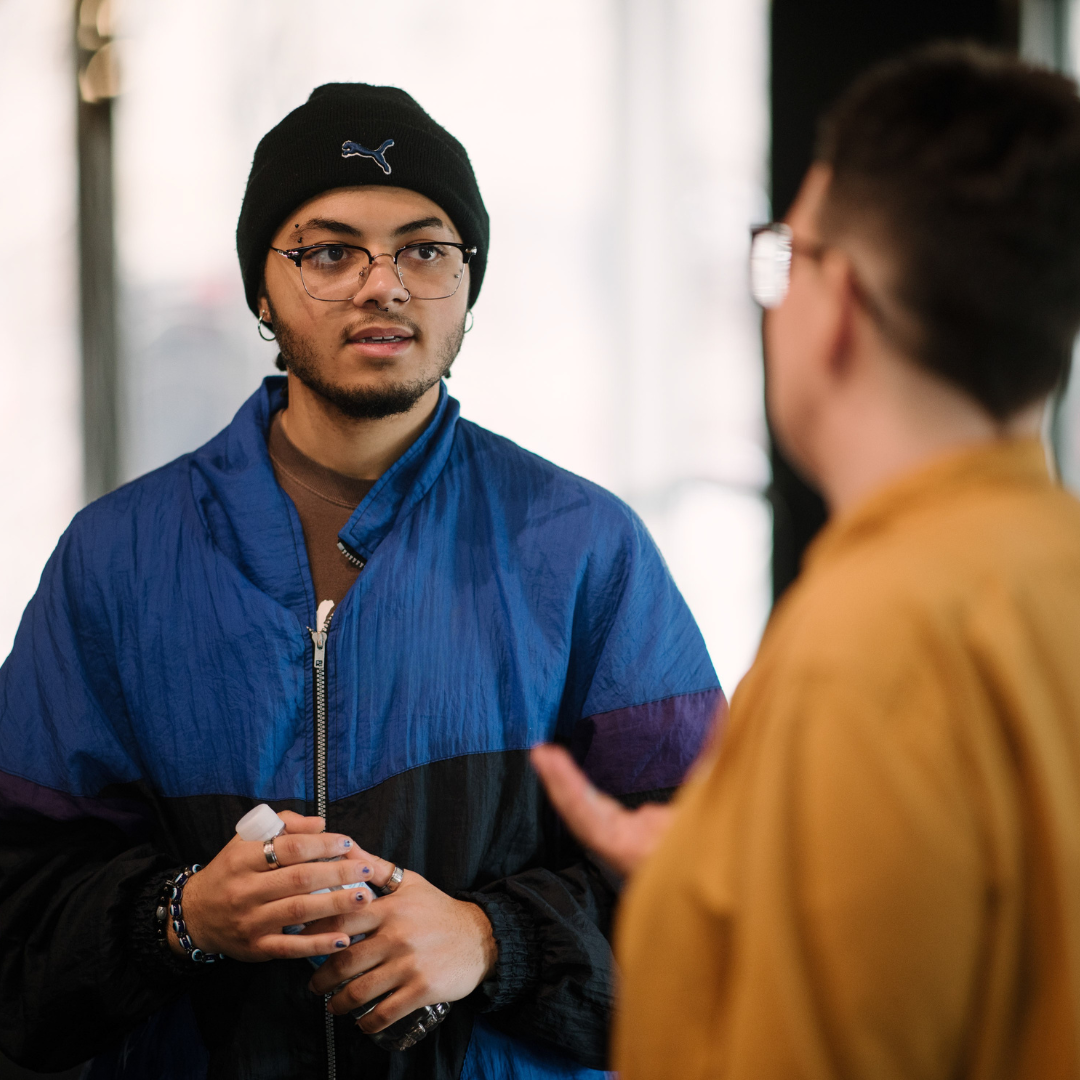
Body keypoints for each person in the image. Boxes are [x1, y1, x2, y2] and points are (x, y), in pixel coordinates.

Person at [0, 84, 723, 1079]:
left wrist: (492, 941)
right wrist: (182, 918)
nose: (382, 286)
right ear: (262, 288)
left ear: (469, 282)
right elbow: (17, 907)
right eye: (329, 252)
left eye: (424, 250)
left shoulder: (583, 548)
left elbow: (716, 889)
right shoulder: (116, 560)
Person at [533, 44, 1080, 1079]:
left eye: (784, 252)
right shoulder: (1050, 566)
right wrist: (714, 877)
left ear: (839, 303)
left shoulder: (870, 646)